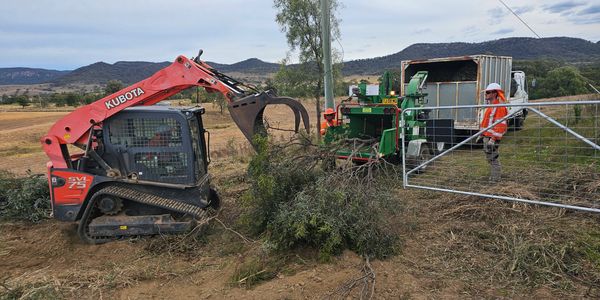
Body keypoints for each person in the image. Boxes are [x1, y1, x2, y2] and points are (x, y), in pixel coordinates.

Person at [478, 83, 508, 181]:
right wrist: (482, 134)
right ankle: (494, 177)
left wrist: (493, 139)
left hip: (492, 138)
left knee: (493, 158)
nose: (485, 94)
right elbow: (487, 123)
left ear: (495, 93)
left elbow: (501, 125)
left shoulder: (499, 107)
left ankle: (495, 179)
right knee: (490, 158)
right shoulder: (491, 106)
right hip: (487, 137)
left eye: (487, 92)